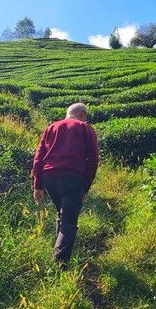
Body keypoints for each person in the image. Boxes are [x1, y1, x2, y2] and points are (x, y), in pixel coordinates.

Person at [32, 103, 99, 268]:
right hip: (73, 177)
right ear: (82, 114)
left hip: (50, 178)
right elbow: (93, 160)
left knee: (62, 214)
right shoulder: (85, 128)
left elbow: (38, 158)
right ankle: (59, 265)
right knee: (69, 220)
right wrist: (85, 188)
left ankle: (58, 252)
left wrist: (38, 185)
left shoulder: (51, 128)